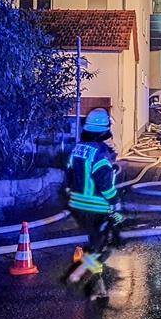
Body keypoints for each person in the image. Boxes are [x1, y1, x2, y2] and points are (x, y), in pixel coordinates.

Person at [65, 108, 123, 299]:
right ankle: (81, 273)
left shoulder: (78, 148)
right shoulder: (100, 154)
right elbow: (106, 186)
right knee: (102, 246)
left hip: (76, 205)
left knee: (95, 243)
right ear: (103, 130)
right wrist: (115, 202)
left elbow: (70, 174)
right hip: (96, 207)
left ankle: (96, 282)